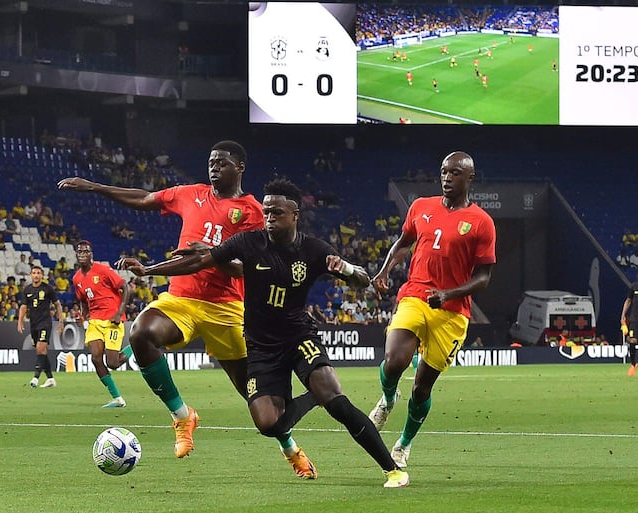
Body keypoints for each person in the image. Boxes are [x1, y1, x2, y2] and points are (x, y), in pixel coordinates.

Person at [118, 177, 409, 488]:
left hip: (299, 338)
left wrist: (348, 270)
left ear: (295, 214)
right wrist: (149, 271)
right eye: (267, 212)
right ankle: (314, 397)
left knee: (337, 401)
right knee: (269, 424)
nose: (269, 218)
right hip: (260, 347)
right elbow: (201, 260)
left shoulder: (314, 249)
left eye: (277, 213)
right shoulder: (248, 243)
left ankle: (392, 469)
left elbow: (362, 279)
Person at [58, 141, 316, 473]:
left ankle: (290, 448)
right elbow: (144, 198)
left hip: (228, 309)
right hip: (182, 300)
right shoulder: (190, 193)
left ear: (239, 168)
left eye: (222, 163)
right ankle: (182, 416)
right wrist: (94, 187)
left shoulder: (252, 211)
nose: (214, 167)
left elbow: (256, 268)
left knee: (260, 404)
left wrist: (214, 253)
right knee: (141, 333)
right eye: (211, 162)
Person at [367, 150, 496, 469]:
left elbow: (483, 277)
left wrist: (450, 293)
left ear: (470, 178)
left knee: (422, 386)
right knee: (394, 360)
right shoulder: (420, 207)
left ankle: (404, 443)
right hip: (415, 295)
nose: (447, 178)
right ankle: (387, 398)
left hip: (452, 313)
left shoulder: (481, 222)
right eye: (444, 172)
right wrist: (384, 270)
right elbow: (403, 242)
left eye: (455, 173)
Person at [71, 240, 131, 407]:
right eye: (79, 251)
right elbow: (83, 300)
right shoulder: (76, 278)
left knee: (113, 363)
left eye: (86, 251)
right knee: (96, 359)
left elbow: (126, 287)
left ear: (91, 254)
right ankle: (117, 398)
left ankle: (135, 347)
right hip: (95, 321)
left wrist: (119, 313)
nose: (82, 254)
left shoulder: (103, 270)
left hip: (112, 319)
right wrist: (82, 315)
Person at [17, 265, 64, 388]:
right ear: (31, 275)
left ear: (42, 275)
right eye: (34, 273)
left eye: (38, 273)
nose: (36, 275)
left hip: (45, 323)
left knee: (40, 348)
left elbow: (58, 305)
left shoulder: (48, 289)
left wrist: (60, 322)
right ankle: (50, 379)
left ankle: (36, 377)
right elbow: (23, 307)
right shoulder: (27, 290)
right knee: (41, 351)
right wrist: (20, 321)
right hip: (33, 324)